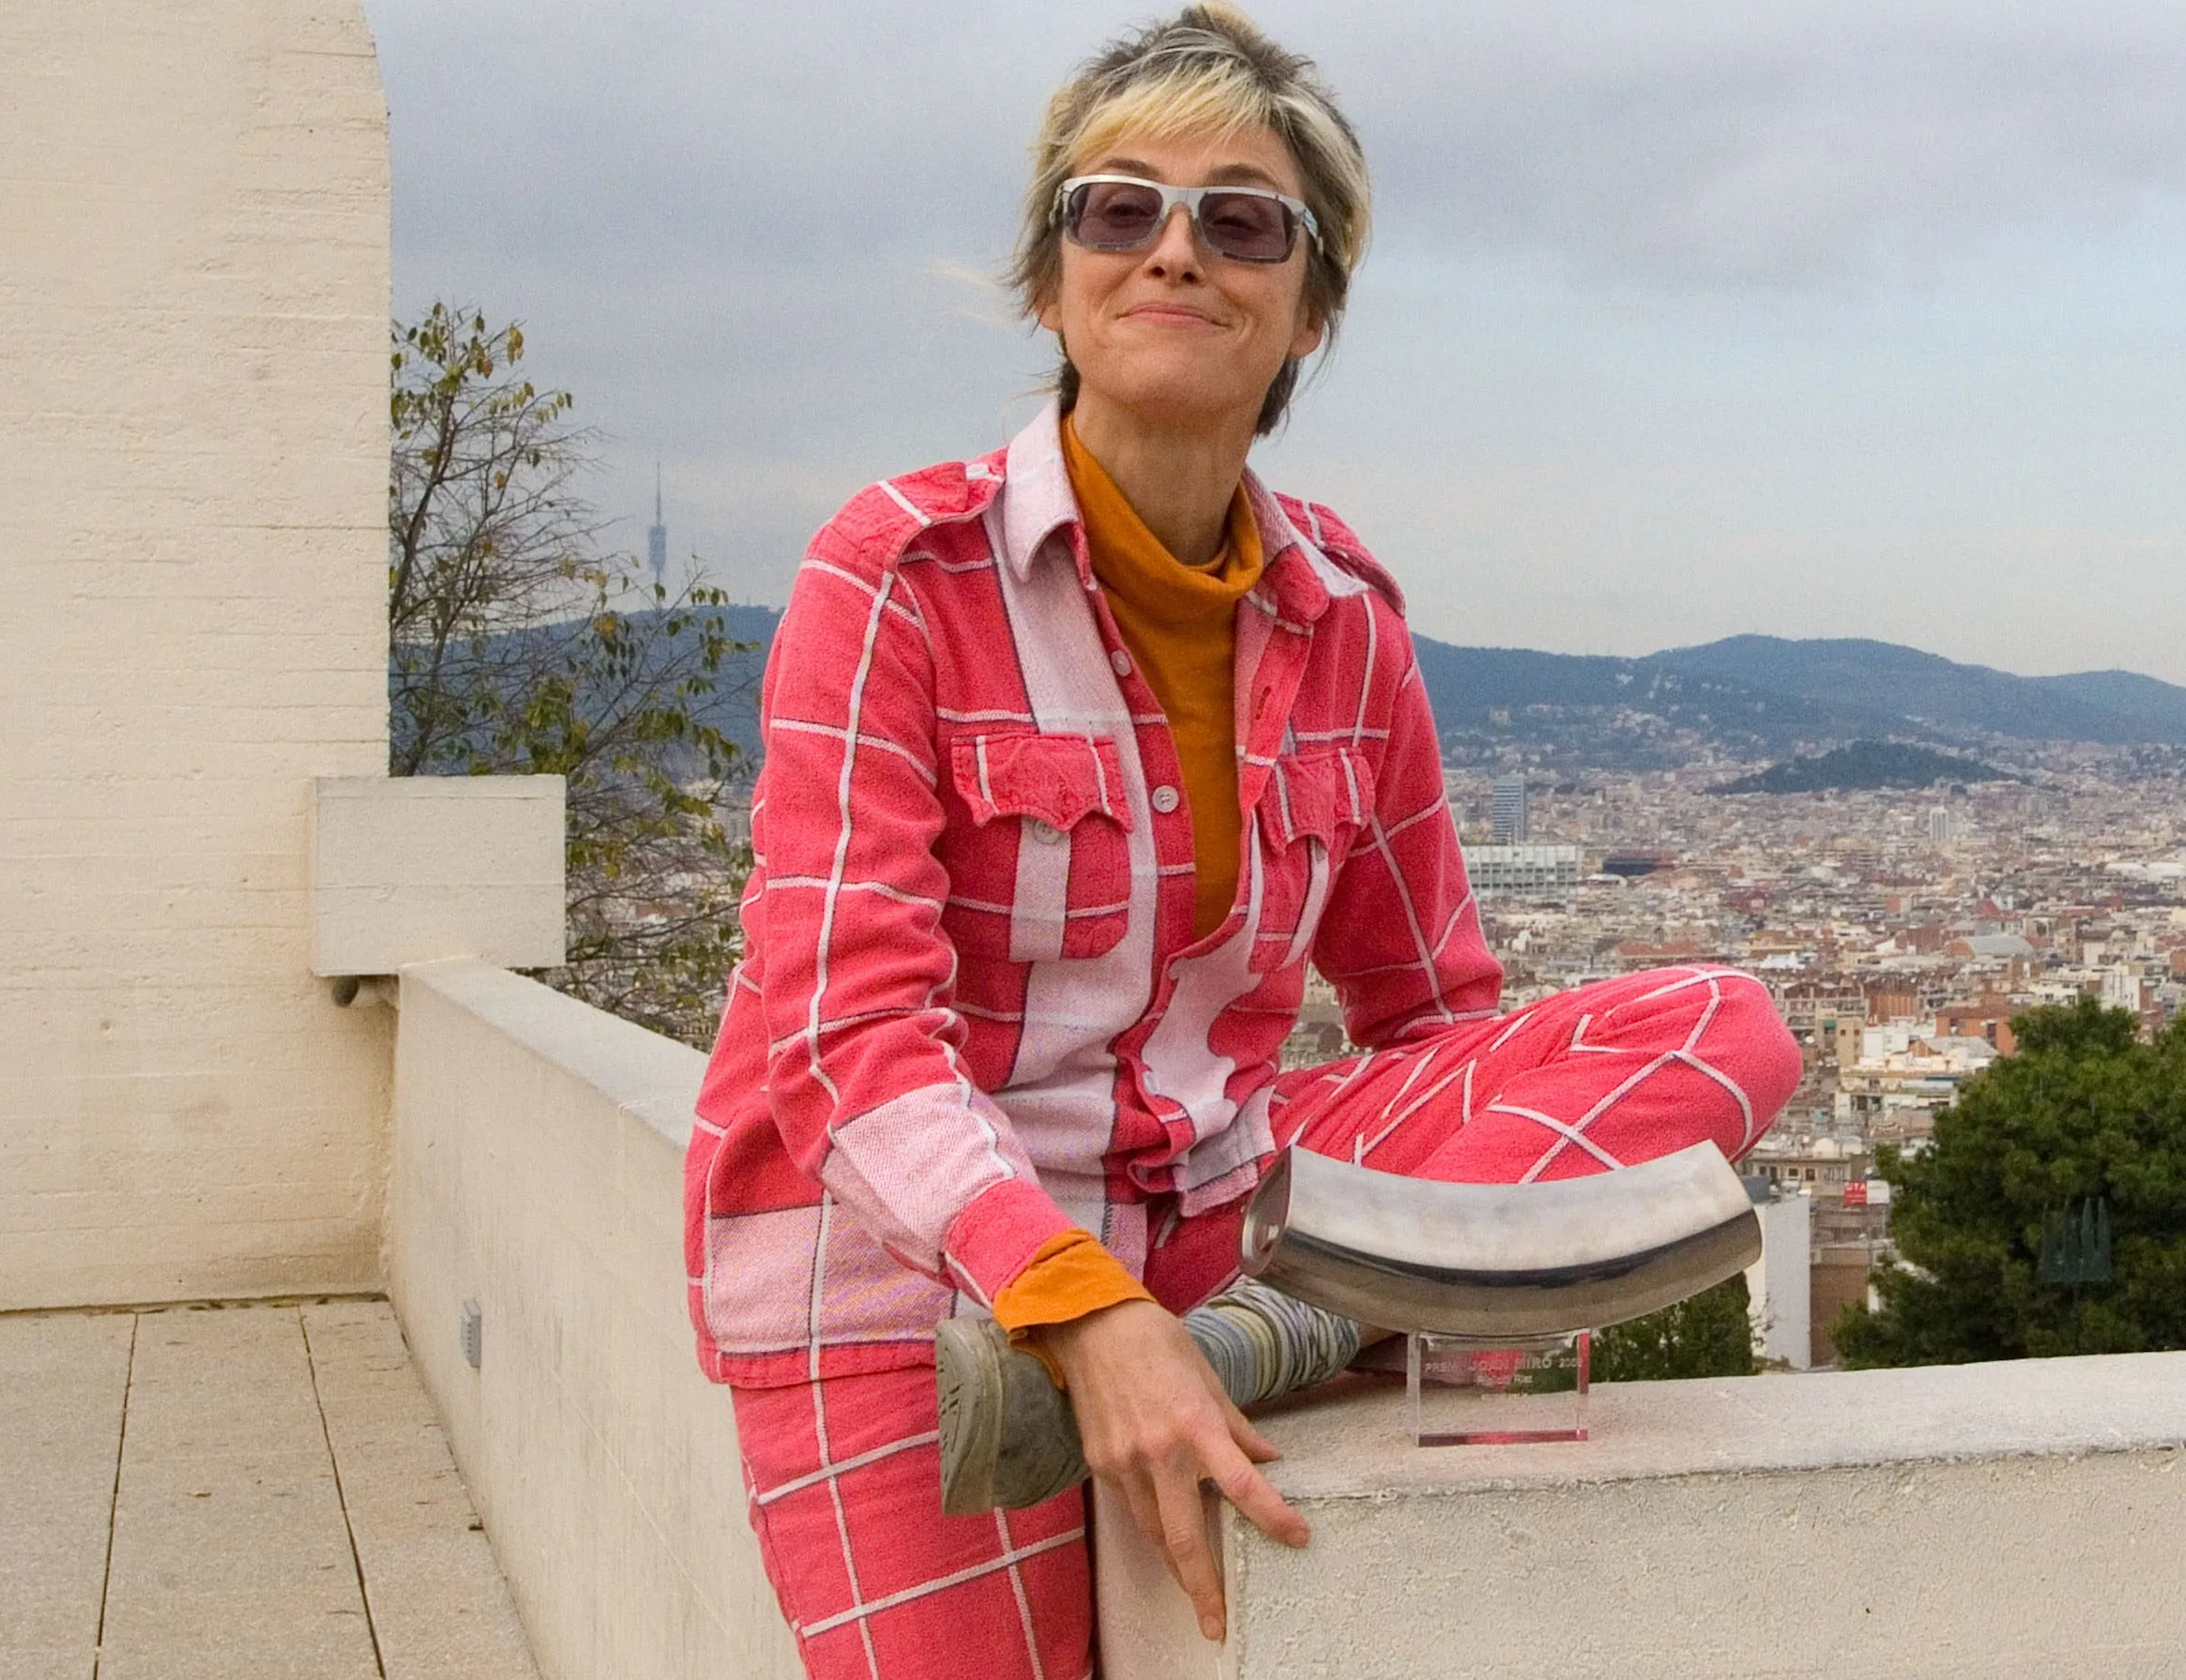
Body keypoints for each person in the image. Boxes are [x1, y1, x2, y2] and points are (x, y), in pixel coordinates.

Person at [678, 9, 1804, 1674]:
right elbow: (843, 1034)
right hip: (903, 1277)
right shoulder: (899, 574)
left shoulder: (1345, 617)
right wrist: (1070, 1304)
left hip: (1215, 1223)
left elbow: (1431, 1015)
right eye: (1116, 209)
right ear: (1053, 282)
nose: (1174, 252)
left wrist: (1398, 1254)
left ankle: (1261, 1341)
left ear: (1309, 307)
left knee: (1724, 1028)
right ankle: (1237, 1344)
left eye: (1242, 218)